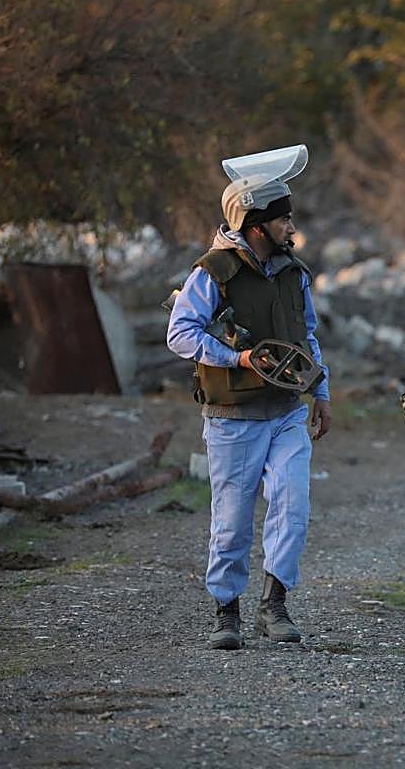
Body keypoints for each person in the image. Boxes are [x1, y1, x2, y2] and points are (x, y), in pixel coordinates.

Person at [167, 144, 331, 650]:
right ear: (257, 225)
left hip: (286, 413)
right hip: (232, 418)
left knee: (293, 506)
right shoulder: (212, 272)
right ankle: (227, 612)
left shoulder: (294, 273)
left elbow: (308, 336)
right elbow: (180, 333)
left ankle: (274, 605)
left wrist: (321, 392)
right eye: (283, 219)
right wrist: (235, 358)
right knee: (232, 521)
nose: (291, 226)